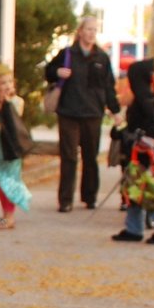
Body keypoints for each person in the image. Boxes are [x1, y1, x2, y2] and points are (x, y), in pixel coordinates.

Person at [45, 16, 119, 211]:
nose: (91, 33)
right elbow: (48, 71)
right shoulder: (67, 53)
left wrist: (115, 110)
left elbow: (109, 87)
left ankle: (89, 196)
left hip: (93, 113)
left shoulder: (102, 58)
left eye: (95, 30)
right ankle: (65, 200)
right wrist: (57, 72)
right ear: (80, 31)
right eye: (88, 29)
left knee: (90, 157)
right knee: (69, 157)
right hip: (69, 111)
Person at [111, 56, 154, 244]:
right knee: (134, 189)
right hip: (137, 153)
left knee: (151, 189)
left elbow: (153, 129)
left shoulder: (145, 100)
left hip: (146, 153)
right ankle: (134, 228)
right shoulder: (147, 98)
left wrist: (139, 139)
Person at [0, 63, 31, 229]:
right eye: (3, 83)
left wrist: (6, 104)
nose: (7, 85)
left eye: (10, 82)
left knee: (9, 180)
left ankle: (9, 216)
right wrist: (1, 104)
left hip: (11, 147)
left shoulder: (18, 102)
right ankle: (5, 214)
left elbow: (12, 120)